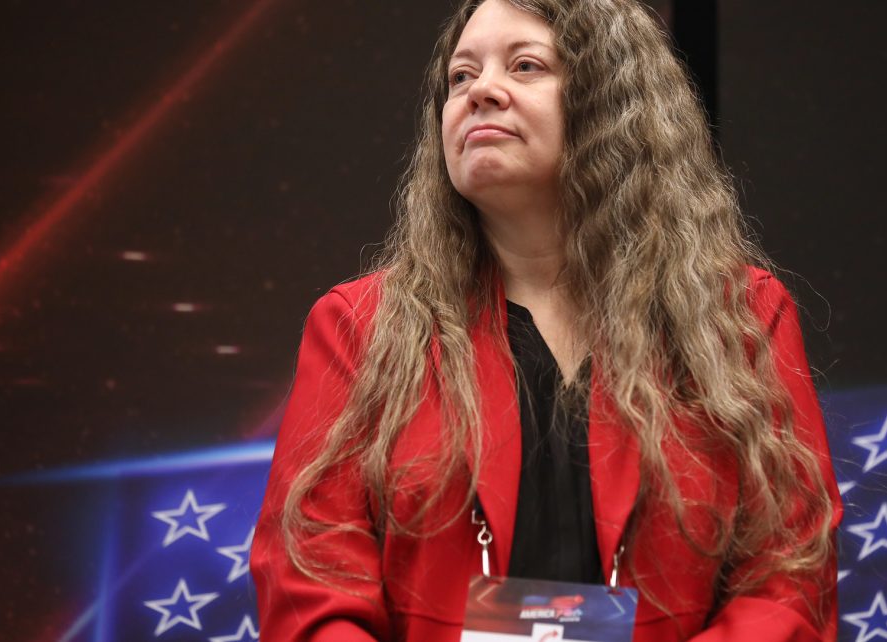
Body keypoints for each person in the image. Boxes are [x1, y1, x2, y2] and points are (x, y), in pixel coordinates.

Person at [250, 0, 843, 640]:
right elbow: (309, 582)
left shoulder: (742, 318)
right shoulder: (357, 328)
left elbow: (788, 578)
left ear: (613, 103)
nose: (482, 92)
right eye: (460, 77)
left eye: (525, 65)